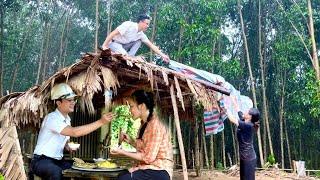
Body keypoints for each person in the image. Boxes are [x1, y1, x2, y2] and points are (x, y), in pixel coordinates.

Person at [30, 83, 114, 180]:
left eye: (74, 100)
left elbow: (64, 141)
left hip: (58, 161)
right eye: (69, 100)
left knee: (81, 169)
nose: (73, 102)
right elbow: (74, 132)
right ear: (58, 103)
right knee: (56, 172)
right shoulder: (52, 118)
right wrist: (101, 122)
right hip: (41, 160)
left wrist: (68, 146)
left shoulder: (67, 119)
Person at [111, 90, 173, 180]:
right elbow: (144, 147)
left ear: (142, 106)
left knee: (124, 178)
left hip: (160, 170)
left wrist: (122, 151)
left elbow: (148, 158)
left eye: (131, 106)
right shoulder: (144, 124)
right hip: (149, 168)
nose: (129, 110)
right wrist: (131, 141)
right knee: (122, 175)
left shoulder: (155, 125)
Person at [101, 14, 170, 63]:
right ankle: (127, 56)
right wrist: (104, 46)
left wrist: (163, 55)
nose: (148, 26)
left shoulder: (141, 34)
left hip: (124, 46)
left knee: (139, 41)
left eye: (148, 24)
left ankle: (130, 56)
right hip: (114, 44)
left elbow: (151, 45)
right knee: (125, 55)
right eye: (146, 23)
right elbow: (113, 33)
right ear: (140, 22)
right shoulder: (128, 25)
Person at [226, 97, 260, 180]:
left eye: (247, 112)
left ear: (250, 117)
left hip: (249, 158)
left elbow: (231, 119)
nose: (245, 112)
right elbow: (238, 110)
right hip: (244, 157)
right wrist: (233, 99)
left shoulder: (248, 125)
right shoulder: (245, 120)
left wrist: (225, 106)